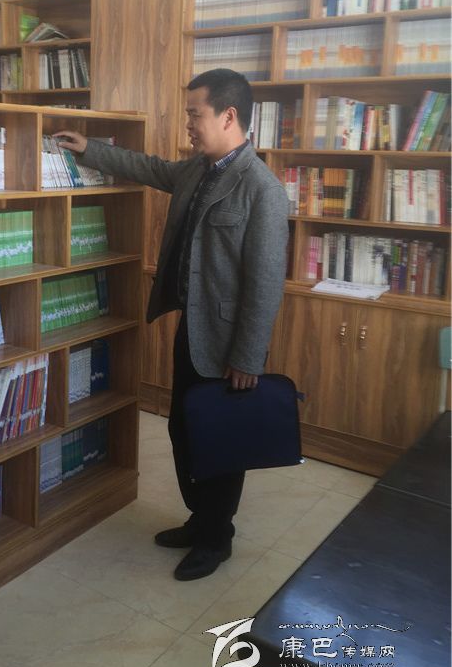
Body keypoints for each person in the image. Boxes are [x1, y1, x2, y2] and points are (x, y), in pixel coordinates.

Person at [55, 68, 289, 581]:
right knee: (184, 429)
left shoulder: (262, 190)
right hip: (192, 331)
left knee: (221, 441)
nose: (188, 124)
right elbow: (149, 167)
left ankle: (216, 538)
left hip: (229, 346)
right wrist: (90, 149)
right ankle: (200, 519)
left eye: (194, 114)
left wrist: (248, 358)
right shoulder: (197, 170)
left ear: (228, 116)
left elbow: (265, 284)